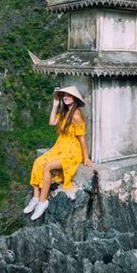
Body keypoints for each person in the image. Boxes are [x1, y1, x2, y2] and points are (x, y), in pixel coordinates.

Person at [23, 86, 94, 220]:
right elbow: (52, 122)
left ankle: (43, 202)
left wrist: (86, 158)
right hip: (60, 147)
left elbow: (82, 139)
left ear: (75, 98)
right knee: (38, 162)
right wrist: (55, 104)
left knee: (47, 166)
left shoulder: (76, 115)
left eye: (69, 95)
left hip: (72, 151)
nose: (66, 97)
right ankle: (36, 197)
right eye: (64, 95)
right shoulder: (64, 111)